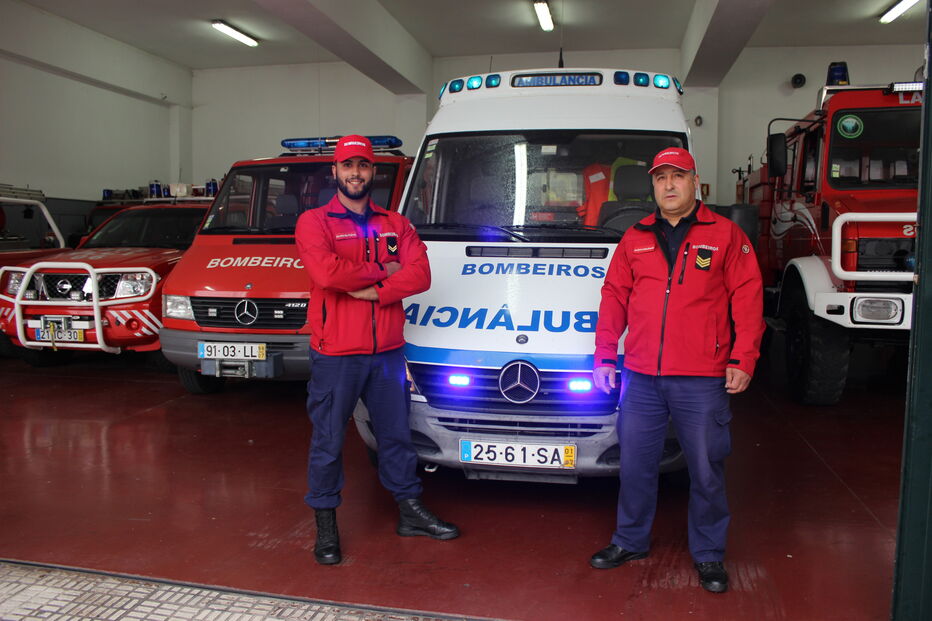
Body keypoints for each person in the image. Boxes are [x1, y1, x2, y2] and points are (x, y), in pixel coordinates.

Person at [589, 147, 764, 593]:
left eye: (678, 176)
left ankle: (707, 555)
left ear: (695, 182)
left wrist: (744, 358)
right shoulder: (635, 237)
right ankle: (630, 540)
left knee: (706, 468)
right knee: (636, 466)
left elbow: (748, 299)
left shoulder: (725, 235)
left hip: (702, 377)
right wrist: (606, 354)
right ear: (653, 185)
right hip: (643, 376)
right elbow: (614, 297)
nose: (668, 185)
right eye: (661, 177)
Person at [295, 135, 459, 566]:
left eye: (363, 166)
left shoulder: (396, 224)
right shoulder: (315, 222)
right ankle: (326, 524)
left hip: (386, 352)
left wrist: (377, 292)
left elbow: (420, 274)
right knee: (328, 441)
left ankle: (410, 511)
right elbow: (325, 273)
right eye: (347, 166)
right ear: (335, 172)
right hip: (336, 354)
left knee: (396, 437)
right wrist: (384, 272)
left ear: (373, 172)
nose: (355, 173)